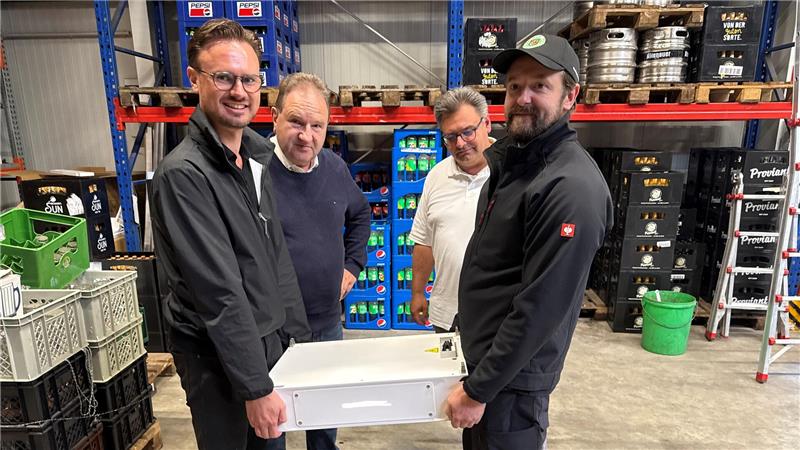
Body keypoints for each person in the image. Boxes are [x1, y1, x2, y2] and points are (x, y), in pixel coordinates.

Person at [445, 34, 614, 449]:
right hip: (487, 369)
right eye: (515, 85)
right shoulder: (513, 163)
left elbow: (539, 308)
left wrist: (479, 389)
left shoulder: (570, 187)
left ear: (571, 95)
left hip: (511, 387)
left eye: (540, 85)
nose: (523, 97)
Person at [151, 19, 311, 450]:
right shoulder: (184, 176)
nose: (239, 91)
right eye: (223, 77)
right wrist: (254, 387)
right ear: (195, 80)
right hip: (217, 360)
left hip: (266, 347)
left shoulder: (257, 158)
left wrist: (300, 341)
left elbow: (275, 256)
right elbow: (219, 292)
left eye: (249, 79)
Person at [268, 72, 371, 450]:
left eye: (317, 126)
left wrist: (353, 266)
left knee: (324, 420)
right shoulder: (253, 174)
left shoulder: (333, 167)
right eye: (296, 121)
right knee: (270, 427)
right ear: (274, 115)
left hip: (326, 322)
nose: (306, 136)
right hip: (272, 331)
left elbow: (361, 215)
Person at [409, 87, 493, 331]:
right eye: (450, 137)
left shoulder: (512, 174)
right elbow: (424, 241)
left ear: (486, 123)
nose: (460, 143)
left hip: (496, 315)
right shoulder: (437, 175)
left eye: (468, 132)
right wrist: (417, 292)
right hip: (446, 314)